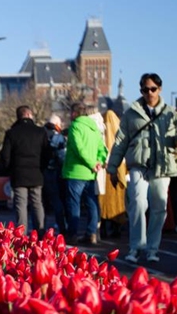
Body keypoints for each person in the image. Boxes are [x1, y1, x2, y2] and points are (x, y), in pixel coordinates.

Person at [107, 73, 177, 263]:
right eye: (145, 89)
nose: (149, 92)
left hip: (161, 166)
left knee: (159, 207)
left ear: (160, 89)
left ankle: (152, 248)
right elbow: (120, 141)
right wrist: (113, 167)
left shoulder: (171, 113)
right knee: (138, 204)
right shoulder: (131, 113)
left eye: (153, 89)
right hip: (138, 165)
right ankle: (136, 246)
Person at [0, 105, 51, 234]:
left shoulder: (12, 133)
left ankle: (22, 234)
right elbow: (47, 153)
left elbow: (5, 155)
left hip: (19, 173)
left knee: (21, 204)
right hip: (36, 173)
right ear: (29, 115)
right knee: (37, 203)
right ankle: (40, 232)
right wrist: (42, 167)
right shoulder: (40, 132)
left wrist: (10, 169)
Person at [63, 103, 108, 245]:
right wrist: (98, 162)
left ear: (75, 113)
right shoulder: (95, 128)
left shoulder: (75, 126)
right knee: (92, 204)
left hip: (75, 172)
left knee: (73, 204)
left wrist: (90, 163)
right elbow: (102, 149)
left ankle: (73, 234)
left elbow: (79, 148)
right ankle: (92, 233)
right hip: (91, 173)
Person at [100, 110, 128, 237]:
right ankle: (117, 228)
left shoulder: (102, 134)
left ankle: (104, 228)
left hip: (104, 173)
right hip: (119, 170)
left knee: (103, 203)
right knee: (118, 203)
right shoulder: (121, 137)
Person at [43, 114, 67, 234]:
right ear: (57, 124)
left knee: (41, 202)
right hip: (54, 170)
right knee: (57, 201)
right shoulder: (57, 136)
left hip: (41, 171)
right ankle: (61, 227)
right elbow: (61, 156)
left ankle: (40, 228)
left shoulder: (41, 133)